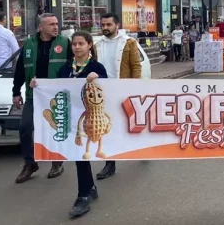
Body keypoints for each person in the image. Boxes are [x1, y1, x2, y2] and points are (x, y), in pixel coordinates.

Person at [31, 31, 108, 218]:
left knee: (82, 156)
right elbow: (57, 89)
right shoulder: (65, 69)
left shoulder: (97, 67)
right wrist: (39, 85)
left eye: (81, 43)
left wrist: (96, 79)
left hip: (91, 118)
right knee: (79, 156)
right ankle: (88, 188)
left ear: (89, 45)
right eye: (74, 44)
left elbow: (108, 91)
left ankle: (83, 196)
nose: (77, 47)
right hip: (72, 119)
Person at [12, 13, 71, 183]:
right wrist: (16, 92)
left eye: (56, 23)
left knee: (55, 129)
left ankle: (57, 162)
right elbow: (21, 70)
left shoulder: (64, 43)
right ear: (41, 27)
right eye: (51, 24)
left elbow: (73, 67)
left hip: (57, 94)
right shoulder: (29, 44)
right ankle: (30, 163)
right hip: (34, 94)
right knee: (25, 128)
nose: (55, 27)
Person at [92, 13, 142, 180]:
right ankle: (110, 163)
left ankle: (142, 146)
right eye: (103, 24)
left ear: (117, 25)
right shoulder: (97, 44)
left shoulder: (128, 42)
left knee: (129, 123)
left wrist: (135, 87)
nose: (105, 27)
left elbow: (135, 66)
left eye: (108, 25)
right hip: (104, 92)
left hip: (122, 89)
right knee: (107, 128)